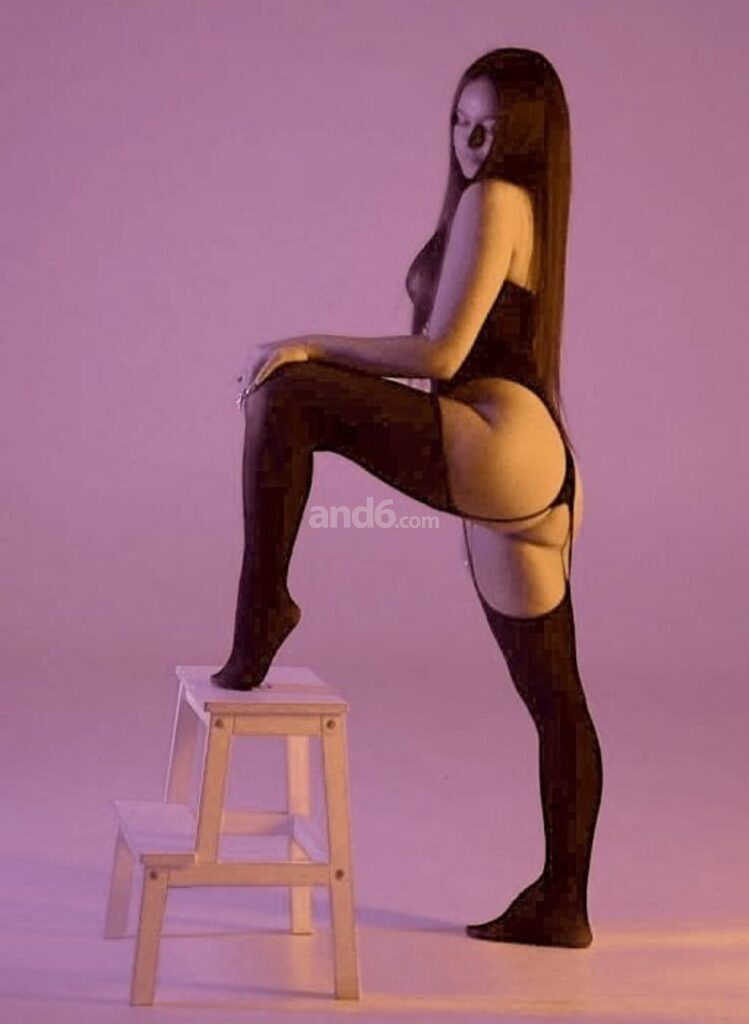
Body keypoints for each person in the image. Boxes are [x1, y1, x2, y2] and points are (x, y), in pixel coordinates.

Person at [210, 48, 603, 950]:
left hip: (499, 441)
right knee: (555, 700)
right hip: (535, 470)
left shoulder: (494, 199)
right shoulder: (520, 205)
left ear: (526, 138)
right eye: (462, 121)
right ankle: (562, 903)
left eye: (494, 128)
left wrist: (305, 341)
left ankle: (264, 609)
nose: (472, 141)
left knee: (288, 394)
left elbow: (437, 355)